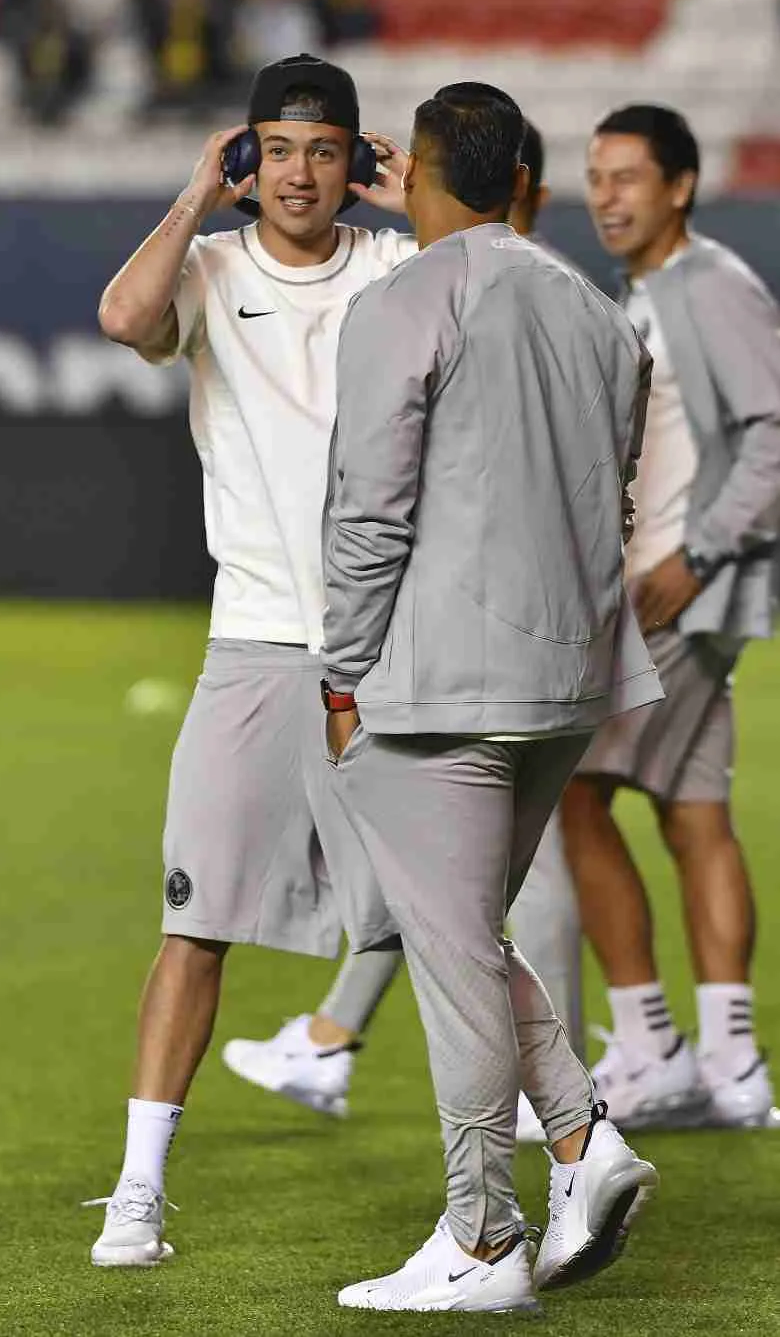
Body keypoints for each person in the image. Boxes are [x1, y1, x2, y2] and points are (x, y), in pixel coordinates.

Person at [320, 81, 660, 1314]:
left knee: (455, 950)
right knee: (467, 937)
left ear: (415, 168)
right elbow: (612, 496)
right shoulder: (596, 310)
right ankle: (581, 1142)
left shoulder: (402, 299)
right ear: (521, 175)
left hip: (438, 680)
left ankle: (481, 1234)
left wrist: (342, 670)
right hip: (571, 677)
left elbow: (369, 510)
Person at [85, 52, 417, 1268]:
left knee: (448, 920)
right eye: (277, 150)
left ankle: (538, 1172)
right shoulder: (213, 270)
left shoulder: (396, 266)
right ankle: (138, 1192)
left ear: (355, 162)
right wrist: (189, 195)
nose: (300, 173)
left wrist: (415, 195)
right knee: (196, 924)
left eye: (325, 150)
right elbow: (125, 318)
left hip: (391, 652)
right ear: (248, 161)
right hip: (256, 645)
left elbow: (512, 277)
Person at [221, 120, 586, 1143]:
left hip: (469, 640)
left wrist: (343, 678)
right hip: (561, 640)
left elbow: (377, 511)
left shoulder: (425, 299)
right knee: (458, 880)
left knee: (470, 885)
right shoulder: (572, 303)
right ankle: (353, 1045)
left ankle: (542, 1141)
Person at [564, 103, 780, 1130]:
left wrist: (700, 554)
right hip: (678, 590)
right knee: (694, 818)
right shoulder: (651, 290)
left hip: (675, 593)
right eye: (597, 176)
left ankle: (650, 1044)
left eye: (629, 177)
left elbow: (776, 429)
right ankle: (733, 1065)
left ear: (682, 186)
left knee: (571, 795)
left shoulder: (708, 286)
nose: (606, 195)